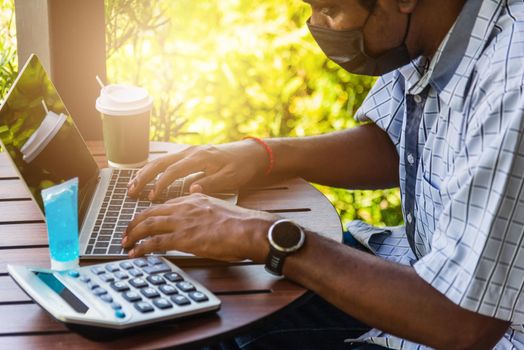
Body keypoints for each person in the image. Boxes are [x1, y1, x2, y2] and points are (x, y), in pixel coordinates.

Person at [123, 0, 524, 348]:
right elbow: (396, 145)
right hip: (416, 269)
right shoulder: (428, 30)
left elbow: (463, 323)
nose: (317, 25)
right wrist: (263, 154)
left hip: (466, 326)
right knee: (203, 308)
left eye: (330, 9)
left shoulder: (510, 79)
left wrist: (261, 234)